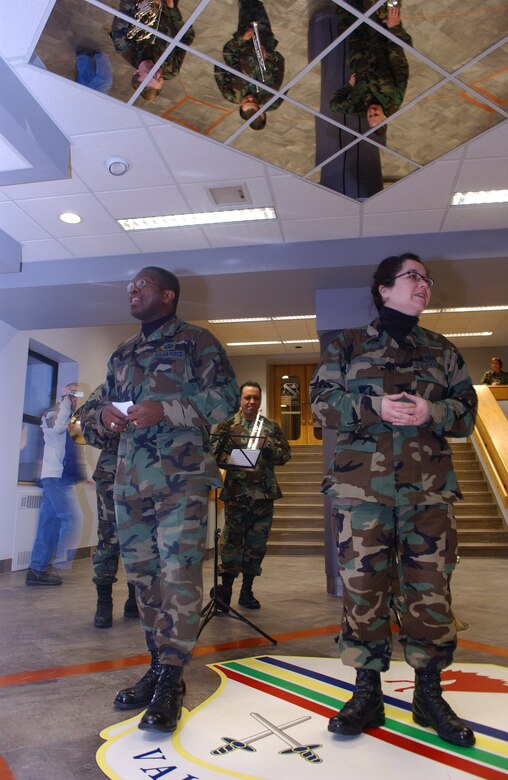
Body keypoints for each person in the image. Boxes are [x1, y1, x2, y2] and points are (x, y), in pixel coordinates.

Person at [310, 253, 478, 747]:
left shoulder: (442, 349)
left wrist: (433, 411)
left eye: (427, 278)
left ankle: (429, 695)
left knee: (431, 594)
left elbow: (467, 411)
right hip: (361, 492)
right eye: (412, 276)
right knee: (363, 592)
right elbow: (322, 404)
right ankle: (367, 693)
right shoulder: (346, 345)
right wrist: (373, 406)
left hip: (428, 492)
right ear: (384, 288)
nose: (423, 284)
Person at [81, 266, 238, 734]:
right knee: (145, 577)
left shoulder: (196, 341)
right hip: (129, 481)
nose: (132, 290)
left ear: (168, 295)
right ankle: (157, 663)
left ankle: (172, 677)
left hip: (181, 479)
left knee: (178, 576)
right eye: (129, 286)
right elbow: (95, 411)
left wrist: (166, 409)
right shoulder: (122, 353)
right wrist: (102, 416)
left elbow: (225, 398)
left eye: (142, 285)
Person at [212, 382, 291, 610]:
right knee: (232, 542)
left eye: (256, 398)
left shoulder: (270, 426)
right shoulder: (228, 425)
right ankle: (226, 589)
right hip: (237, 494)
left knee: (256, 545)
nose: (251, 402)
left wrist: (271, 449)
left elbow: (285, 455)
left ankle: (247, 590)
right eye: (247, 397)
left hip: (263, 495)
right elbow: (213, 453)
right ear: (240, 399)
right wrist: (236, 459)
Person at [77, 387, 139, 628]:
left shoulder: (155, 383)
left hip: (147, 475)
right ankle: (104, 601)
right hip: (112, 472)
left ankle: (135, 598)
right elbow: (87, 429)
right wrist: (107, 421)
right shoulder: (109, 388)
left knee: (141, 539)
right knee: (109, 537)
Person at [25, 384, 87, 586]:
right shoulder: (53, 413)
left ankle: (36, 571)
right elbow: (56, 430)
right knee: (72, 518)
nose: (75, 397)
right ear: (64, 393)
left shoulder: (72, 419)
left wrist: (88, 475)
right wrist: (66, 403)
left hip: (62, 477)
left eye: (77, 394)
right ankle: (60, 563)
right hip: (53, 477)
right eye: (72, 393)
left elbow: (76, 448)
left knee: (48, 524)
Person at [329, 1, 412, 126]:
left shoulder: (359, 109)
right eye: (376, 114)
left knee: (351, 12)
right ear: (385, 117)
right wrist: (394, 29)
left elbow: (334, 106)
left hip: (359, 49)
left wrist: (349, 87)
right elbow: (399, 65)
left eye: (370, 116)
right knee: (384, 11)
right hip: (380, 44)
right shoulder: (394, 100)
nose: (372, 111)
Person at [214, 0, 285, 130]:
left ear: (240, 107)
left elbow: (219, 66)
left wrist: (240, 40)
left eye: (247, 101)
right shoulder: (268, 94)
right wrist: (268, 55)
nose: (251, 98)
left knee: (245, 5)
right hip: (264, 36)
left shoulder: (231, 94)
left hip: (244, 36)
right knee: (258, 6)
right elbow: (280, 62)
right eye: (254, 102)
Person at [110, 0, 195, 101]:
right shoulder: (171, 70)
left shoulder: (123, 46)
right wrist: (172, 9)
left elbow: (126, 6)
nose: (158, 73)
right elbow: (186, 38)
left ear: (137, 72)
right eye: (160, 79)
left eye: (151, 75)